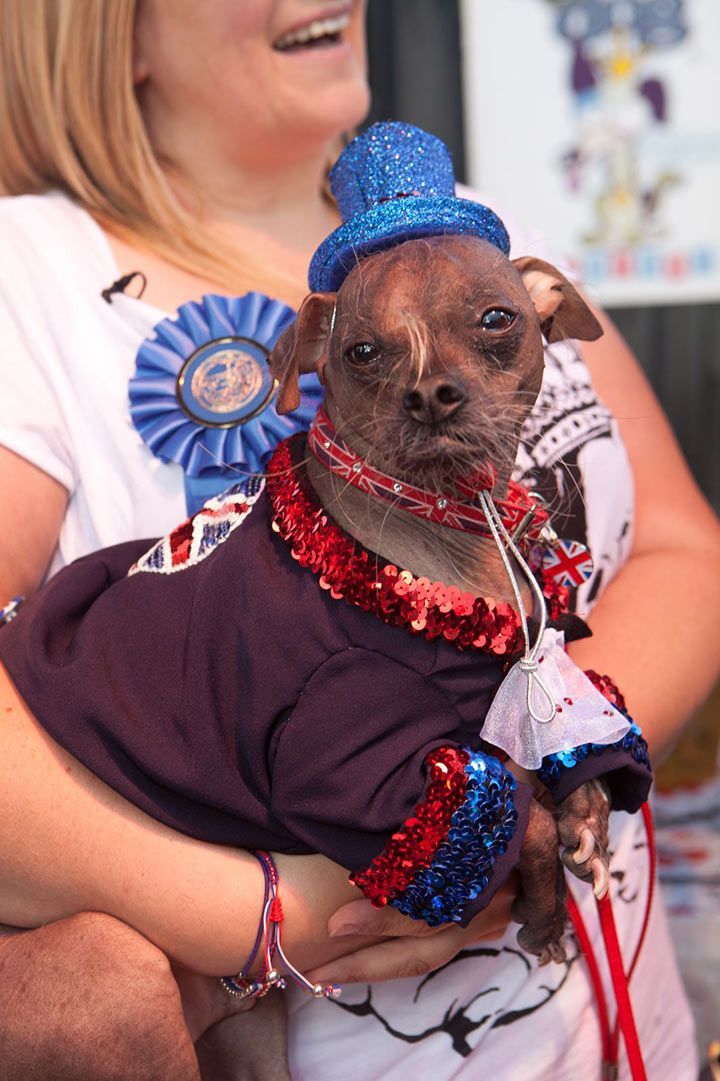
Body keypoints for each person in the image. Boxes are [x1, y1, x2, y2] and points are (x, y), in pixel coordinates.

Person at [0, 1, 718, 1079]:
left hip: (611, 1027)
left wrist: (547, 771)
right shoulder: (30, 277)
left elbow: (680, 545)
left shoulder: (476, 228)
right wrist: (273, 913)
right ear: (112, 30)